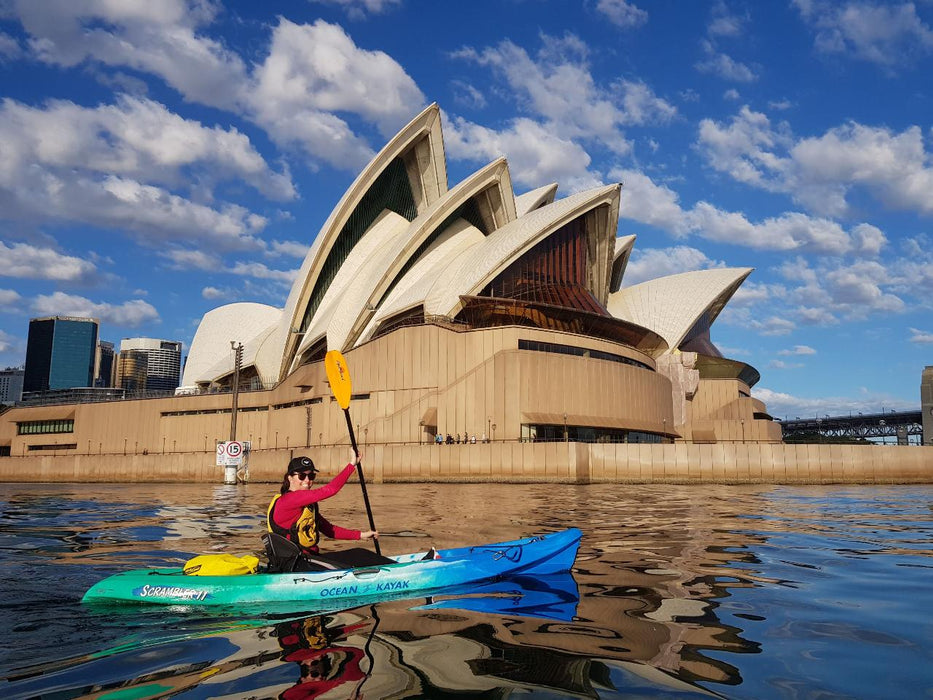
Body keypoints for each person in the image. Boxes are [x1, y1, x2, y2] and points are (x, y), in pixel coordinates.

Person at [267, 451, 380, 570]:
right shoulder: (288, 500)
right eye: (301, 476)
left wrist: (362, 535)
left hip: (310, 559)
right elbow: (330, 490)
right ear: (289, 478)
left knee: (360, 553)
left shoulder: (306, 505)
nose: (307, 480)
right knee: (360, 556)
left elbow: (329, 530)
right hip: (297, 565)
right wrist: (352, 464)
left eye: (311, 476)